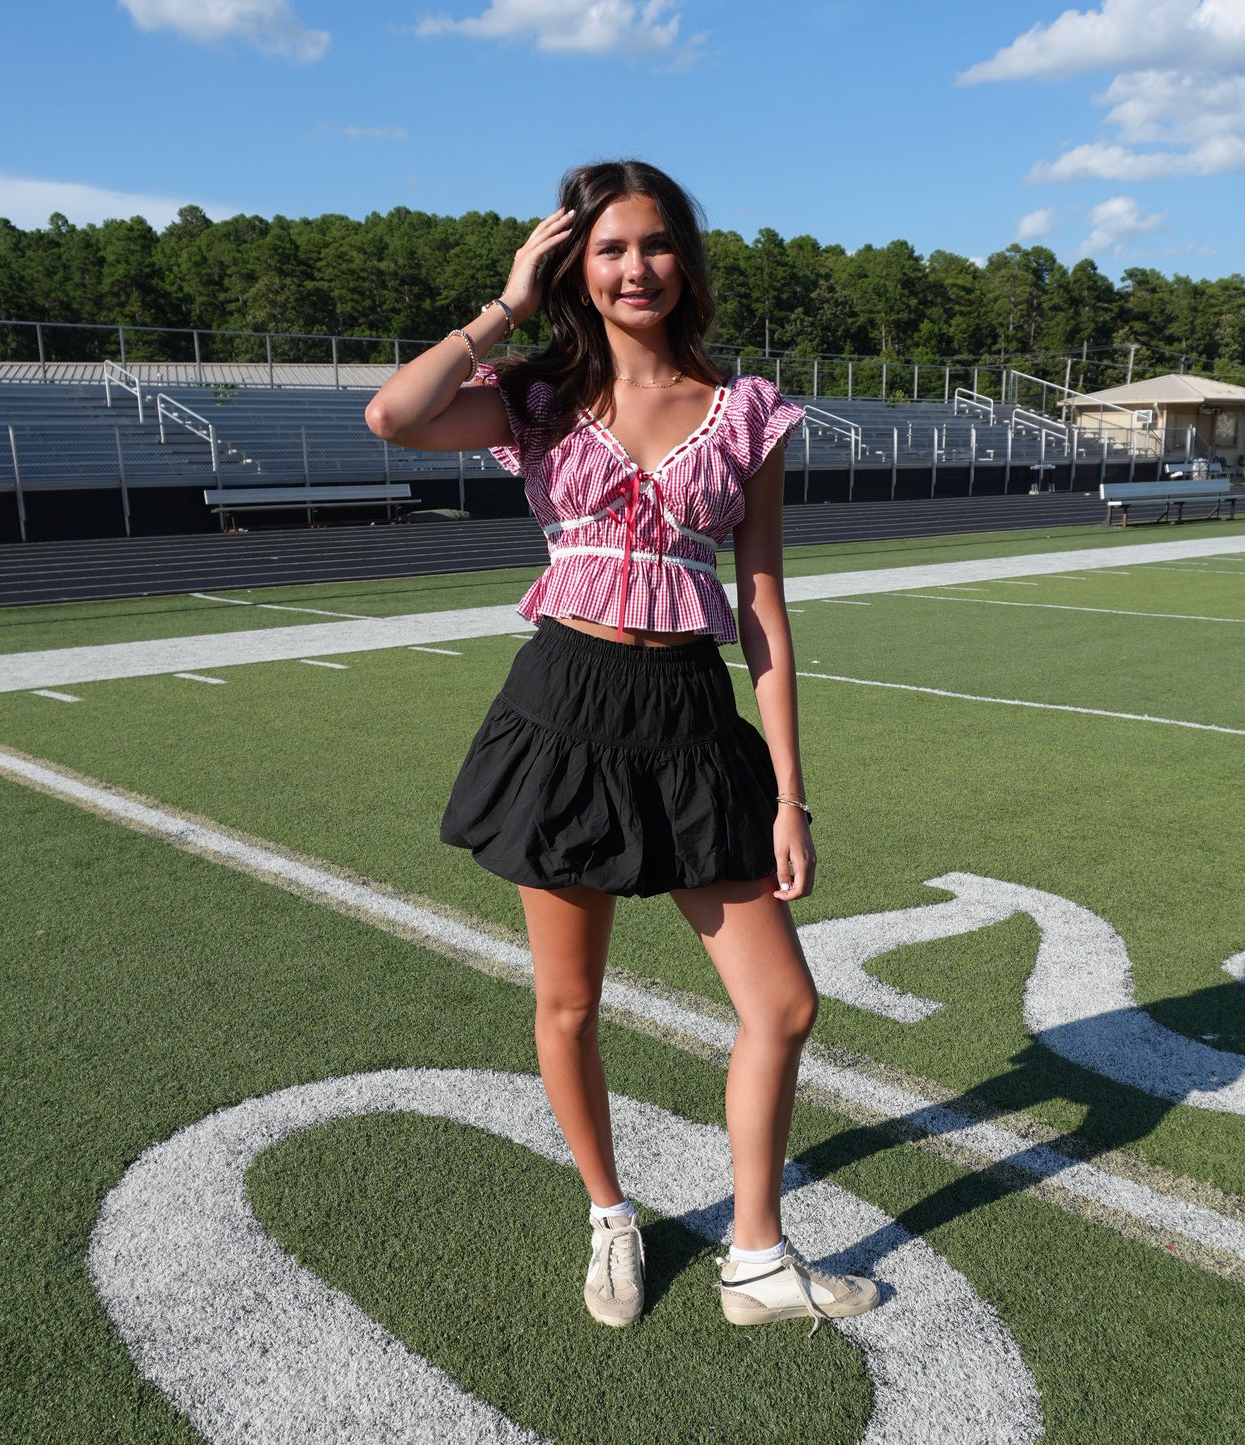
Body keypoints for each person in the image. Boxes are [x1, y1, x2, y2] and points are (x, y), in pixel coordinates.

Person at [365, 160, 878, 1332]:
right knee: (568, 1006)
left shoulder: (746, 409)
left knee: (784, 1001)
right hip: (566, 710)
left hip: (694, 715)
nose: (634, 267)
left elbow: (763, 612)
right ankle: (608, 1212)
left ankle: (755, 1254)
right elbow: (392, 416)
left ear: (683, 260)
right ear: (573, 268)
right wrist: (504, 301)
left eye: (652, 244)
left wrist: (792, 795)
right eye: (606, 249)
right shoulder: (536, 394)